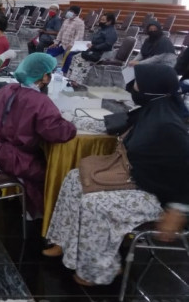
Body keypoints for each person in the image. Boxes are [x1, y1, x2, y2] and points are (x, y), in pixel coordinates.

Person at [45, 64, 189, 286]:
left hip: (155, 195)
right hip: (133, 177)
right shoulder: (150, 110)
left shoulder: (169, 125)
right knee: (74, 179)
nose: (133, 87)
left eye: (138, 83)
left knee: (95, 204)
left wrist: (178, 210)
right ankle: (65, 242)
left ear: (152, 88)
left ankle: (96, 270)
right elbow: (116, 124)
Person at [0, 53, 77, 217]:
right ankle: (42, 215)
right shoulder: (40, 102)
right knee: (56, 174)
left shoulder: (7, 89)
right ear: (44, 77)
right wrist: (71, 124)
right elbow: (57, 132)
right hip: (18, 161)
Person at [66, 13, 117, 86]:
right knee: (75, 57)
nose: (101, 21)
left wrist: (94, 46)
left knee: (80, 60)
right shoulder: (102, 29)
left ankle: (76, 81)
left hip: (102, 53)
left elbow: (108, 45)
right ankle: (70, 78)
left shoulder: (111, 32)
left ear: (109, 22)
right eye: (101, 19)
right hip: (94, 50)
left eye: (103, 20)